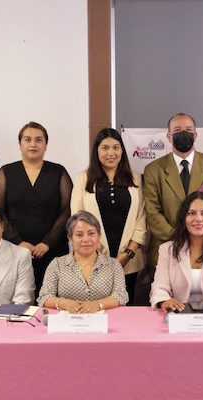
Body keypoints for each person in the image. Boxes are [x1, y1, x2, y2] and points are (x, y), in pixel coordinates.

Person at [0, 121, 72, 299]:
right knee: (17, 301)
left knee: (52, 300)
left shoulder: (58, 172)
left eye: (38, 140)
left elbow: (67, 210)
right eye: (27, 139)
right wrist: (18, 242)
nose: (33, 144)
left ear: (46, 145)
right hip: (14, 249)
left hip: (52, 250)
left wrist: (48, 242)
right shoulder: (6, 172)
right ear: (20, 144)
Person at [143, 113, 203, 275]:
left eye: (188, 130)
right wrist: (180, 239)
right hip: (166, 247)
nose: (183, 133)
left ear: (195, 135)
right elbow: (152, 212)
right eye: (177, 130)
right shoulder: (153, 170)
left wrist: (196, 239)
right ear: (169, 136)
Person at [70, 128, 147, 304]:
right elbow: (77, 218)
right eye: (105, 148)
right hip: (92, 259)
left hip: (129, 260)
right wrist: (98, 254)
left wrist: (128, 253)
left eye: (116, 147)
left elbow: (142, 218)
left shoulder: (136, 179)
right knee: (95, 308)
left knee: (125, 309)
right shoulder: (83, 179)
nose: (111, 153)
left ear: (122, 151)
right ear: (96, 151)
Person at [37, 211, 129, 312]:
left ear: (99, 236)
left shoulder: (114, 265)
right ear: (70, 238)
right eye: (79, 235)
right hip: (67, 318)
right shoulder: (57, 264)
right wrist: (65, 303)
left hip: (105, 319)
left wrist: (97, 305)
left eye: (91, 234)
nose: (86, 239)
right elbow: (44, 297)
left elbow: (121, 296)